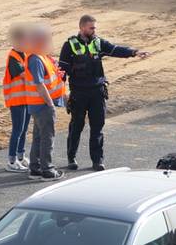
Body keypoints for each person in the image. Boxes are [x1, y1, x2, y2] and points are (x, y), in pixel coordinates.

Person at [58, 14, 150, 172]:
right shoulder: (69, 45)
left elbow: (115, 49)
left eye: (95, 27)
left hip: (97, 92)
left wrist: (134, 52)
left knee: (97, 127)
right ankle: (71, 157)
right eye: (91, 27)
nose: (94, 30)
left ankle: (97, 160)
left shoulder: (98, 42)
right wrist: (63, 93)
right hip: (78, 93)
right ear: (82, 28)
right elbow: (61, 71)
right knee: (76, 126)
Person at [18, 23, 66, 180]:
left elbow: (50, 79)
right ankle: (47, 170)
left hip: (39, 105)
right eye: (47, 38)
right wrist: (50, 104)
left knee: (39, 137)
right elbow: (39, 84)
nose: (50, 41)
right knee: (47, 137)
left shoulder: (41, 57)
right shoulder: (36, 59)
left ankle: (36, 168)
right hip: (42, 105)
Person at [2, 25, 31, 172]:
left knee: (24, 129)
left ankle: (21, 157)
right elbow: (24, 75)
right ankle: (12, 161)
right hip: (17, 100)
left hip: (26, 99)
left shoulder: (24, 55)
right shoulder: (13, 56)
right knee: (17, 130)